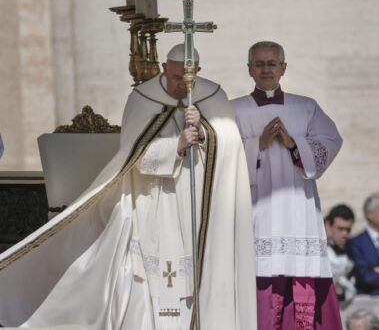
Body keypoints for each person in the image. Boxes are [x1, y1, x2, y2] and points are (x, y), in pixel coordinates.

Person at [0, 44, 257, 329]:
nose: (181, 86)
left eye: (188, 79)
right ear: (164, 68)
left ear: (197, 71)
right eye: (174, 78)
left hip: (199, 202)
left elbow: (232, 149)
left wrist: (207, 130)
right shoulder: (142, 97)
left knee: (198, 270)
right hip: (154, 199)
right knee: (156, 276)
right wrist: (177, 145)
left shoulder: (213, 95)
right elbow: (134, 156)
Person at [232, 41, 343, 329]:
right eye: (259, 64)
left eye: (271, 63)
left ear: (283, 67)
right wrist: (259, 144)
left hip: (298, 209)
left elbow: (331, 142)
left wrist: (294, 144)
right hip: (258, 209)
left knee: (300, 274)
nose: (266, 69)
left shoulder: (305, 107)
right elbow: (222, 159)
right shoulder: (234, 110)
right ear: (249, 69)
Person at [325, 204, 356, 305]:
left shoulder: (354, 249)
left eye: (348, 230)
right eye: (340, 229)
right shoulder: (318, 250)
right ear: (329, 226)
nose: (344, 234)